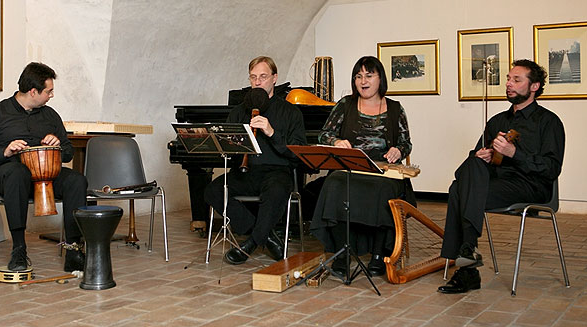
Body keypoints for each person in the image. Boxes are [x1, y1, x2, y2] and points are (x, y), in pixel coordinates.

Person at [438, 59, 565, 294]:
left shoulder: (549, 122)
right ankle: (467, 254)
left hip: (530, 186)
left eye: (516, 80)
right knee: (471, 169)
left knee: (458, 189)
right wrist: (482, 155)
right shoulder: (497, 120)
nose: (509, 84)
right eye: (508, 78)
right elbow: (475, 159)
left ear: (534, 86)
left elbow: (551, 168)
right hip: (494, 183)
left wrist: (514, 153)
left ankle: (467, 266)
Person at [0, 62, 88, 272]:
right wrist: (5, 151)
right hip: (5, 174)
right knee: (18, 172)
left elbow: (68, 151)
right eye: (48, 91)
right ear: (33, 91)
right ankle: (19, 249)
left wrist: (58, 145)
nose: (51, 96)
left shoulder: (50, 115)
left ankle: (73, 249)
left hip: (44, 175)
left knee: (76, 180)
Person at [310, 56, 414, 279]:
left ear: (380, 79)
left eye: (369, 75)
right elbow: (324, 134)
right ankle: (341, 253)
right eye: (359, 76)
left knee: (384, 190)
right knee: (333, 183)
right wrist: (336, 142)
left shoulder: (395, 108)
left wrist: (398, 150)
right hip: (350, 165)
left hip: (384, 169)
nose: (363, 81)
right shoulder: (345, 105)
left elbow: (406, 143)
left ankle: (378, 254)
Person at [204, 56, 306, 264]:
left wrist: (271, 132)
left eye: (263, 76)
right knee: (213, 191)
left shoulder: (290, 112)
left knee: (277, 191)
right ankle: (267, 238)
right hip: (246, 172)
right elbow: (228, 149)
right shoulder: (238, 111)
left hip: (277, 172)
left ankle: (249, 245)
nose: (258, 82)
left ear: (275, 78)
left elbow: (298, 153)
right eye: (253, 77)